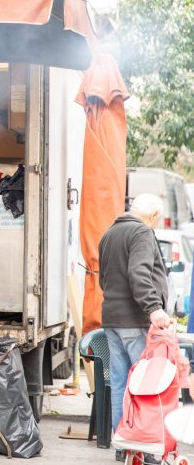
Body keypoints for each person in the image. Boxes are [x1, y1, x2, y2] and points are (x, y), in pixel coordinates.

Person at [99, 193, 172, 462]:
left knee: (119, 383)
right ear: (152, 216)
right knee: (145, 386)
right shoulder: (142, 233)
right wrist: (154, 308)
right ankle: (145, 448)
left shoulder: (110, 233)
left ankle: (123, 445)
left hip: (112, 319)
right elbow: (139, 273)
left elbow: (103, 279)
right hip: (134, 320)